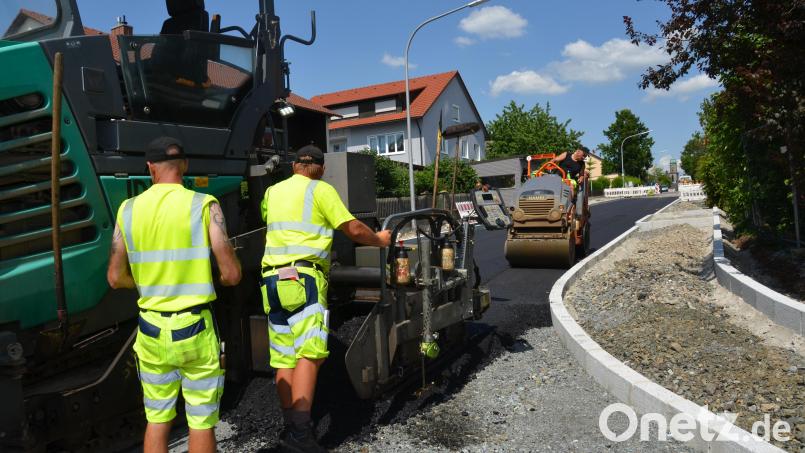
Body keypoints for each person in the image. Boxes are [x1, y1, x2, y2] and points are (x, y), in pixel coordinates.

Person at [107, 137, 241, 453]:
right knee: (201, 421)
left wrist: (146, 285)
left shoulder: (127, 209)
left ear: (150, 167)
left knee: (157, 419)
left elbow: (114, 277)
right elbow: (232, 274)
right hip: (195, 329)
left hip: (151, 330)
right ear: (185, 165)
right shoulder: (204, 205)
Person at [260, 144, 391, 452]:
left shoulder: (272, 192)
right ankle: (303, 435)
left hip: (271, 281)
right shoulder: (321, 190)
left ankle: (289, 426)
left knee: (283, 356)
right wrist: (380, 240)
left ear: (294, 166)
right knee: (310, 353)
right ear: (320, 168)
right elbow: (355, 229)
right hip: (303, 278)